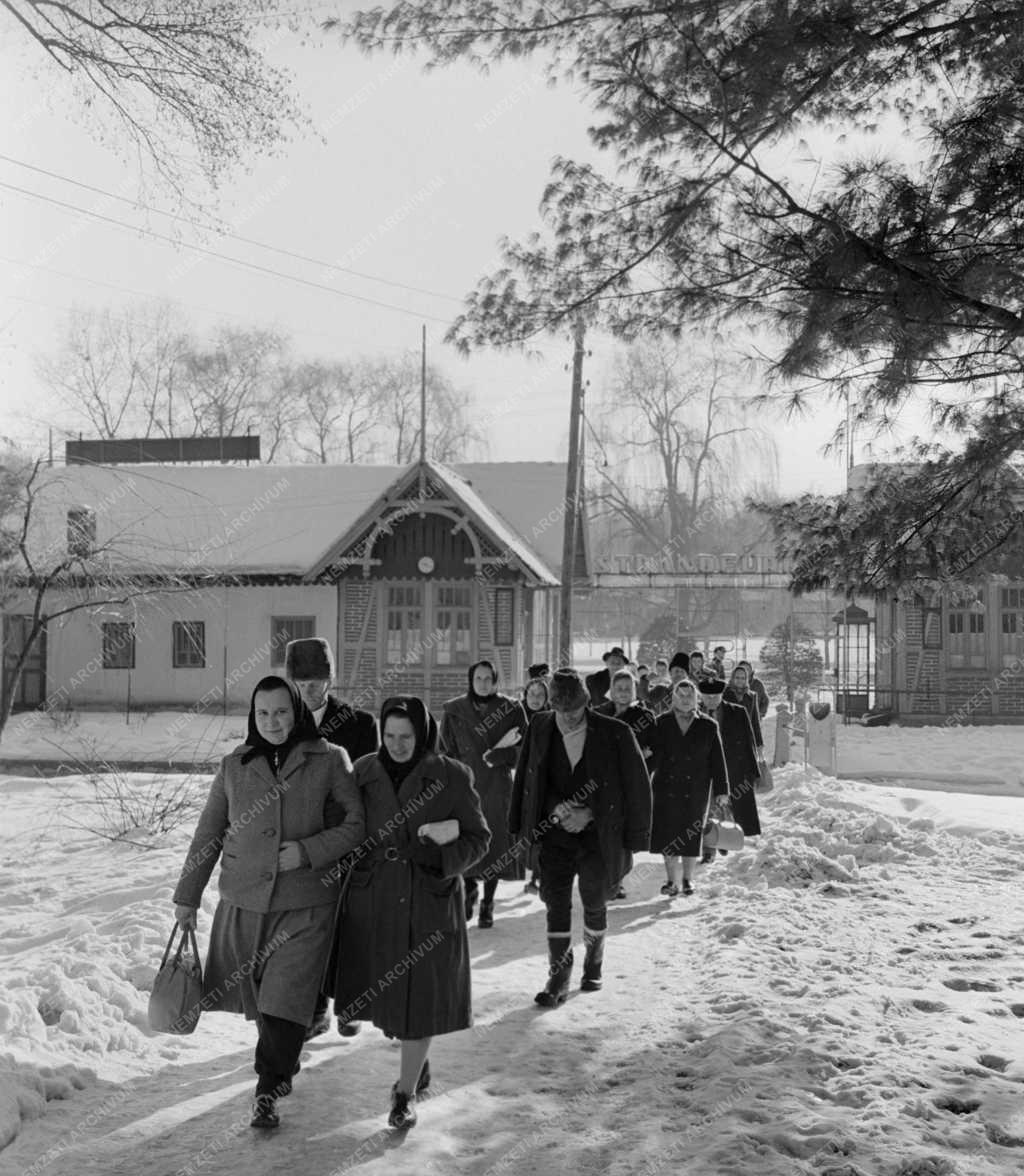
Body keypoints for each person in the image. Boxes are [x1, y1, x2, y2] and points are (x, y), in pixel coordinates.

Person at [172, 676, 365, 1131]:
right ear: (252, 716)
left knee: (286, 999)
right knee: (262, 1004)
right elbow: (208, 834)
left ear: (296, 711)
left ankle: (267, 1089)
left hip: (306, 905)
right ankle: (279, 1064)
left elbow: (356, 824)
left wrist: (309, 851)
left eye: (281, 712)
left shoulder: (329, 759)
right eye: (263, 713)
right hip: (243, 903)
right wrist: (187, 896)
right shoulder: (234, 765)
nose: (273, 722)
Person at [329, 695, 489, 1130]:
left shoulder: (451, 775)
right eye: (390, 736)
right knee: (389, 1004)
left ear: (423, 734)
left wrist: (441, 859)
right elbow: (339, 826)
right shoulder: (362, 772)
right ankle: (416, 1064)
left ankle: (402, 1095)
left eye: (407, 736)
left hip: (428, 898)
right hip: (375, 898)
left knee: (420, 999)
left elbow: (479, 838)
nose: (398, 745)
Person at [510, 668, 651, 1005]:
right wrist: (554, 810)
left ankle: (594, 962)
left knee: (593, 898)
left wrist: (591, 813)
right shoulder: (540, 727)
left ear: (586, 704)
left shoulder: (614, 732)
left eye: (575, 712)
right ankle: (558, 976)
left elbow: (634, 786)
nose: (569, 719)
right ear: (553, 707)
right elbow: (529, 782)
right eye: (563, 712)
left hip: (598, 836)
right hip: (554, 834)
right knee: (555, 902)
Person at [284, 637, 378, 1040]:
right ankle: (316, 1010)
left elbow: (369, 785)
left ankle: (351, 1004)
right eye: (301, 680)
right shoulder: (279, 722)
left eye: (316, 680)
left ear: (331, 679)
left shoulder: (359, 724)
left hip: (348, 839)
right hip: (302, 843)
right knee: (311, 929)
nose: (308, 689)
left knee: (350, 927)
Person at [439, 661, 528, 928]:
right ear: (471, 680)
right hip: (465, 787)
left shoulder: (511, 709)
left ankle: (489, 901)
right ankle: (468, 889)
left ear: (495, 680)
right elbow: (444, 751)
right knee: (465, 840)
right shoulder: (454, 711)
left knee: (495, 844)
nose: (483, 683)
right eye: (478, 678)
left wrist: (503, 755)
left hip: (497, 787)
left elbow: (526, 748)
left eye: (488, 678)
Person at [648, 678, 729, 897]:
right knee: (668, 832)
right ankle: (670, 881)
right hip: (666, 787)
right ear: (673, 698)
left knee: (691, 832)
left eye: (689, 696)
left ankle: (688, 880)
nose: (685, 700)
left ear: (697, 699)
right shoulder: (660, 723)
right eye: (681, 695)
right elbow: (651, 756)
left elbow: (718, 761)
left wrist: (722, 790)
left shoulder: (709, 726)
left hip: (696, 788)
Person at [698, 677, 761, 838]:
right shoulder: (694, 714)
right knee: (705, 809)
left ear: (722, 695)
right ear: (700, 696)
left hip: (733, 767)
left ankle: (730, 839)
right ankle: (709, 845)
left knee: (734, 808)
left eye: (715, 696)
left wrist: (753, 772)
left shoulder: (738, 712)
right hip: (703, 770)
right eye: (707, 696)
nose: (711, 700)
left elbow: (749, 743)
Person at [520, 677, 551, 893]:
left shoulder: (551, 718)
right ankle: (529, 870)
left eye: (540, 695)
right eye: (531, 694)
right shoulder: (517, 716)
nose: (535, 699)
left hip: (545, 780)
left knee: (543, 828)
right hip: (521, 779)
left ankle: (538, 875)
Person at [725, 665, 766, 752]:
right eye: (737, 677)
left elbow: (755, 722)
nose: (740, 680)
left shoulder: (752, 696)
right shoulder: (725, 694)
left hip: (746, 741)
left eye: (743, 678)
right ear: (732, 678)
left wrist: (759, 743)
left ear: (746, 679)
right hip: (728, 741)